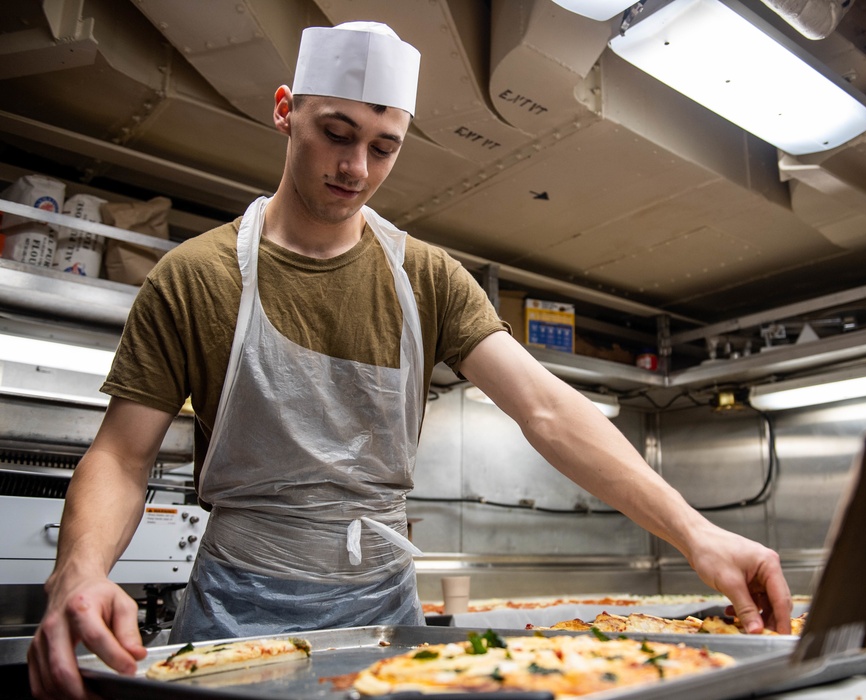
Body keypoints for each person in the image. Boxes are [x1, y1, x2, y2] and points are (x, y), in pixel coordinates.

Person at [27, 21, 792, 700]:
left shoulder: (425, 277)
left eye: (383, 147)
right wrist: (79, 574)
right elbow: (122, 456)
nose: (356, 167)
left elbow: (546, 409)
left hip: (385, 623)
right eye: (336, 133)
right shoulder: (197, 276)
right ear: (286, 110)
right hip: (235, 617)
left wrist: (695, 533)